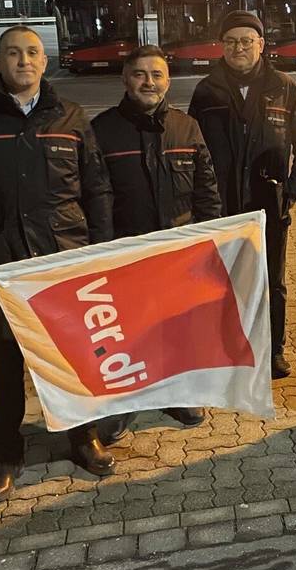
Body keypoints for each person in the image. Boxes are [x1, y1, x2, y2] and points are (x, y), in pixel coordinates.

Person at [0, 26, 114, 504]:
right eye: (12, 53)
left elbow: (96, 188)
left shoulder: (71, 116)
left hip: (65, 263)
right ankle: (6, 456)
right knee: (7, 363)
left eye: (32, 52)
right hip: (5, 267)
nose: (23, 61)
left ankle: (83, 437)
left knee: (76, 357)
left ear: (44, 60)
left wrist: (100, 250)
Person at [92, 45, 221, 444]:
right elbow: (94, 196)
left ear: (168, 80)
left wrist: (210, 240)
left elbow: (206, 188)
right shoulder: (101, 130)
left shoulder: (187, 127)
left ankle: (178, 394)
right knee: (126, 334)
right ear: (125, 79)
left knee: (175, 330)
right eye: (139, 74)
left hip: (177, 253)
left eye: (157, 74)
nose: (149, 82)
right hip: (124, 253)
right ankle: (124, 404)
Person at [188, 11, 296, 378]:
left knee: (271, 283)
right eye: (231, 42)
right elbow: (194, 149)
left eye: (247, 41)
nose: (239, 48)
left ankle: (273, 349)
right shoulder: (206, 90)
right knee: (224, 281)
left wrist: (291, 193)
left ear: (261, 45)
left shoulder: (285, 88)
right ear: (222, 47)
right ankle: (228, 346)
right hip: (222, 207)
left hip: (268, 207)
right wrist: (202, 201)